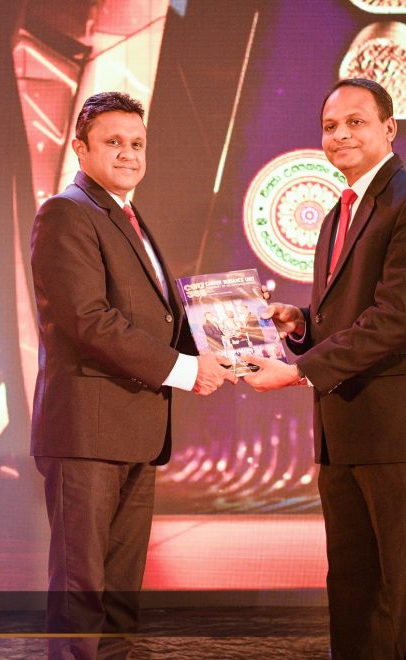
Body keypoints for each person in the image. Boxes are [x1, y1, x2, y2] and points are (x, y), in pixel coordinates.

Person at [30, 91, 235, 659]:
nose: (128, 153)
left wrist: (235, 337)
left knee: (120, 598)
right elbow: (88, 320)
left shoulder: (127, 216)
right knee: (81, 593)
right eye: (113, 142)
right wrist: (184, 369)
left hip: (135, 432)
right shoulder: (66, 212)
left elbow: (160, 320)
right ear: (80, 148)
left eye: (137, 143)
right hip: (87, 435)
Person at [244, 78, 406, 659]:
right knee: (354, 589)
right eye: (330, 126)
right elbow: (352, 314)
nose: (340, 135)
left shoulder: (403, 199)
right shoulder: (339, 212)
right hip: (342, 432)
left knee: (400, 591)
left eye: (356, 122)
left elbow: (395, 317)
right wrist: (301, 323)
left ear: (389, 128)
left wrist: (297, 371)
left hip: (394, 433)